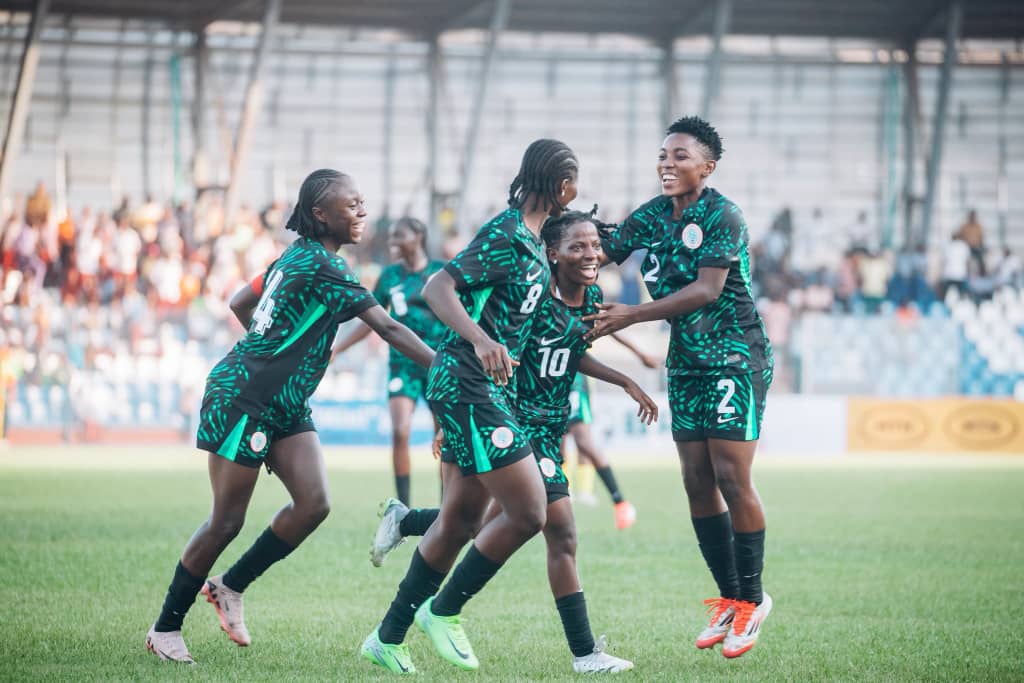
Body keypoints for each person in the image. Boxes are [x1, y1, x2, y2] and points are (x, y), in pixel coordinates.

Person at [144, 169, 435, 664]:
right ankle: (164, 628)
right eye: (353, 205)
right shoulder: (326, 266)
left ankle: (230, 587)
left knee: (314, 503)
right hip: (246, 398)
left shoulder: (295, 257)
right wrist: (451, 367)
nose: (362, 212)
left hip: (284, 403)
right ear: (321, 214)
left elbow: (241, 301)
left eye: (363, 203)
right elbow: (386, 325)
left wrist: (283, 350)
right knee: (226, 522)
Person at [369, 210, 658, 673]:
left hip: (547, 427)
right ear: (552, 254)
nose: (590, 255)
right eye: (577, 247)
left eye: (594, 247)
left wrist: (624, 377)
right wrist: (455, 417)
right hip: (515, 421)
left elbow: (572, 350)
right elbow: (487, 348)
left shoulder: (592, 297)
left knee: (468, 522)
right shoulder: (533, 297)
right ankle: (451, 612)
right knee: (553, 527)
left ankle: (404, 528)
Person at [360, 139, 579, 674]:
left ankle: (387, 637)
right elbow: (439, 288)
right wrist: (482, 340)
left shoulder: (533, 240)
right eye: (574, 180)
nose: (577, 191)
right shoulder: (505, 234)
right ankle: (444, 611)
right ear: (559, 185)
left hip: (484, 390)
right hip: (468, 383)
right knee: (528, 512)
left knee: (459, 523)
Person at [585, 116, 774, 659]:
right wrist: (561, 232)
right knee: (695, 481)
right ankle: (730, 596)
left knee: (730, 478)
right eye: (663, 155)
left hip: (736, 357)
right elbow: (603, 249)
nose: (667, 164)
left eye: (681, 156)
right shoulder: (650, 215)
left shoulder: (723, 215)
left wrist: (631, 315)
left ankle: (753, 601)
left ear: (708, 166)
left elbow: (707, 291)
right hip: (686, 361)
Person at [330, 217, 446, 508]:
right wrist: (338, 348)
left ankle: (448, 509)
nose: (393, 241)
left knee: (445, 438)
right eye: (391, 236)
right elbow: (372, 319)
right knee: (400, 430)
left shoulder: (440, 272)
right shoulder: (390, 276)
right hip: (402, 362)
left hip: (438, 363)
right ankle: (402, 509)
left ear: (418, 236)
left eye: (399, 235)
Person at [563, 329, 657, 528]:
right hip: (546, 374)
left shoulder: (582, 302)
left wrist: (639, 354)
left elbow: (612, 327)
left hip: (574, 378)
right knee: (558, 442)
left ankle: (619, 501)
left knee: (583, 440)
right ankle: (565, 493)